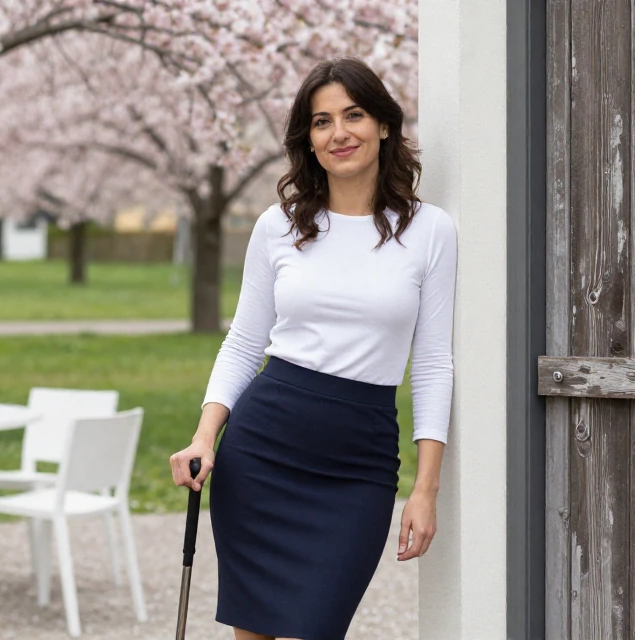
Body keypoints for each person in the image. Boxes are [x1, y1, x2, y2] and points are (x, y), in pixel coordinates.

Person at [168, 57, 458, 640]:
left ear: (383, 125)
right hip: (264, 449)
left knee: (320, 625)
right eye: (322, 122)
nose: (339, 133)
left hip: (360, 460)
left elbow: (430, 363)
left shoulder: (430, 231)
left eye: (353, 115)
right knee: (253, 632)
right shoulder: (277, 227)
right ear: (309, 139)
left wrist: (426, 491)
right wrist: (205, 435)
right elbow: (245, 341)